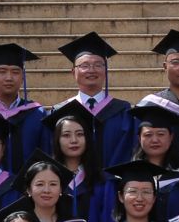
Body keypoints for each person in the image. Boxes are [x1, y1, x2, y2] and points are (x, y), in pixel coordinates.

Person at [56, 32, 135, 169]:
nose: (91, 70)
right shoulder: (60, 111)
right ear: (73, 72)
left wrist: (110, 178)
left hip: (112, 180)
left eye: (98, 65)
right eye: (84, 65)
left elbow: (126, 149)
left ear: (106, 71)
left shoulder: (122, 110)